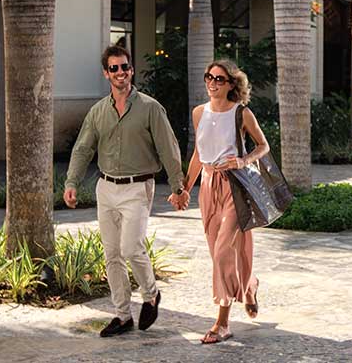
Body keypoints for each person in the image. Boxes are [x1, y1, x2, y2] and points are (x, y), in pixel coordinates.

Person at [64, 45, 189, 337]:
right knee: (111, 254)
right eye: (114, 68)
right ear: (106, 73)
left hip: (137, 186)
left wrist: (177, 187)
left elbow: (169, 150)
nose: (120, 73)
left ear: (131, 70)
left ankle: (151, 294)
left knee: (131, 248)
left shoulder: (150, 108)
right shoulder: (97, 111)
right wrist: (71, 182)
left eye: (125, 67)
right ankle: (122, 316)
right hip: (105, 187)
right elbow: (83, 149)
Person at [169, 60, 270, 344]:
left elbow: (263, 146)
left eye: (219, 79)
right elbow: (199, 154)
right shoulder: (199, 112)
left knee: (225, 250)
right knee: (217, 253)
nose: (212, 83)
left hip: (235, 186)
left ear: (231, 84)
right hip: (208, 188)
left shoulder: (241, 113)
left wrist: (242, 159)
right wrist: (184, 188)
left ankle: (222, 323)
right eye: (209, 77)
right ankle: (249, 286)